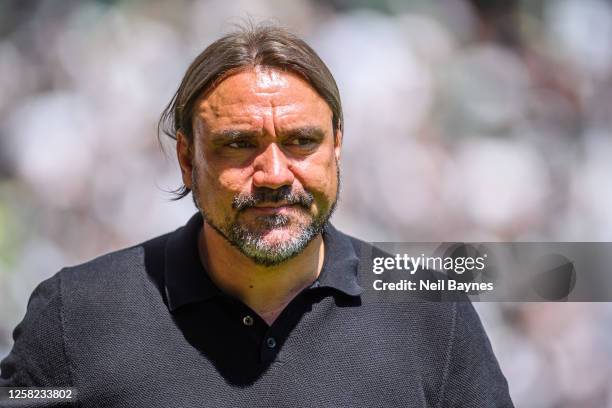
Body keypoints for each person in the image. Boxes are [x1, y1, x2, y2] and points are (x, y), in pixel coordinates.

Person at [0, 23, 513, 407]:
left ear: (337, 147)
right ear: (186, 159)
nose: (273, 173)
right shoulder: (77, 314)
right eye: (239, 144)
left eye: (301, 142)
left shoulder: (430, 314)